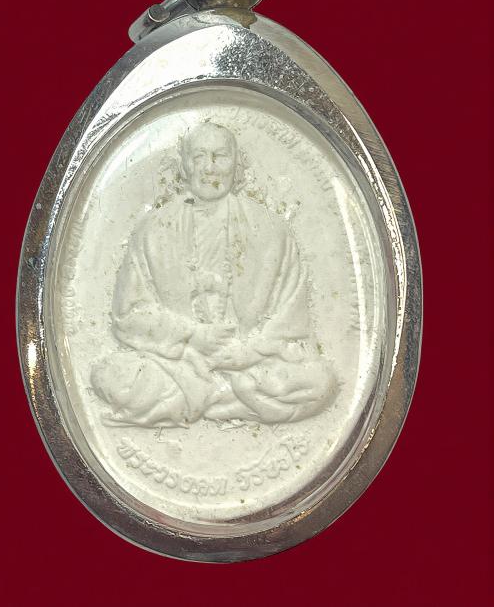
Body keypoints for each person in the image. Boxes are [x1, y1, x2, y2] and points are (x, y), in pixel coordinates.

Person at [91, 122, 337, 427]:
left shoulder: (272, 230)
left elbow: (290, 319)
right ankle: (229, 400)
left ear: (236, 164)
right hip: (180, 362)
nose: (210, 168)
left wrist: (248, 352)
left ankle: (195, 401)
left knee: (322, 381)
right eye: (199, 157)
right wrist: (192, 335)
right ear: (184, 166)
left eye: (220, 156)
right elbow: (129, 315)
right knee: (108, 375)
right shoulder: (153, 230)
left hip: (252, 364)